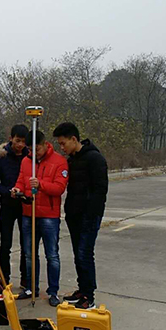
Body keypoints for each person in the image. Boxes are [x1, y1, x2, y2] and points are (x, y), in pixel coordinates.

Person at [53, 122, 108, 310]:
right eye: (59, 144)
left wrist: (91, 214)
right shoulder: (72, 160)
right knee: (78, 254)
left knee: (85, 254)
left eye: (63, 143)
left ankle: (89, 295)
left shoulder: (95, 159)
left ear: (74, 139)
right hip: (74, 215)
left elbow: (101, 190)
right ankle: (82, 289)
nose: (62, 148)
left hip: (89, 216)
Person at [12, 130, 68, 306]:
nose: (34, 152)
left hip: (49, 217)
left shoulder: (59, 162)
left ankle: (53, 291)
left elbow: (59, 188)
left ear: (45, 144)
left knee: (52, 255)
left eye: (37, 148)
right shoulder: (26, 161)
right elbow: (21, 180)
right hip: (29, 213)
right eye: (30, 149)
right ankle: (30, 287)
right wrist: (17, 190)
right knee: (29, 254)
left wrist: (41, 184)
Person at [0, 124, 30, 290]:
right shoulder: (0, 157)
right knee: (5, 244)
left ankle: (25, 278)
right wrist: (7, 192)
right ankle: (4, 278)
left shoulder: (30, 157)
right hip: (7, 205)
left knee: (26, 244)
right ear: (11, 138)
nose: (20, 145)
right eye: (17, 140)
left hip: (25, 205)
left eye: (23, 142)